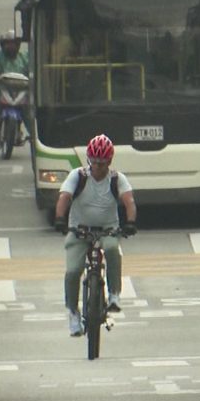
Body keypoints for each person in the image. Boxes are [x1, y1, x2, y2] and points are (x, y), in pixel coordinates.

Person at [54, 134, 138, 337]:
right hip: (79, 229)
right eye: (94, 163)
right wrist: (59, 218)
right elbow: (64, 196)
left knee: (111, 250)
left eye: (102, 164)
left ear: (109, 161)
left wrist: (130, 223)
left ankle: (114, 295)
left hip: (108, 228)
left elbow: (129, 201)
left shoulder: (117, 179)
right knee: (73, 271)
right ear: (88, 160)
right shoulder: (78, 176)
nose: (98, 168)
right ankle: (73, 313)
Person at [0, 30, 30, 138]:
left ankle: (34, 134)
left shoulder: (24, 57)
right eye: (8, 43)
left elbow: (31, 67)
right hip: (2, 89)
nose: (11, 46)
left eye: (13, 43)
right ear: (3, 45)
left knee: (28, 110)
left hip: (21, 90)